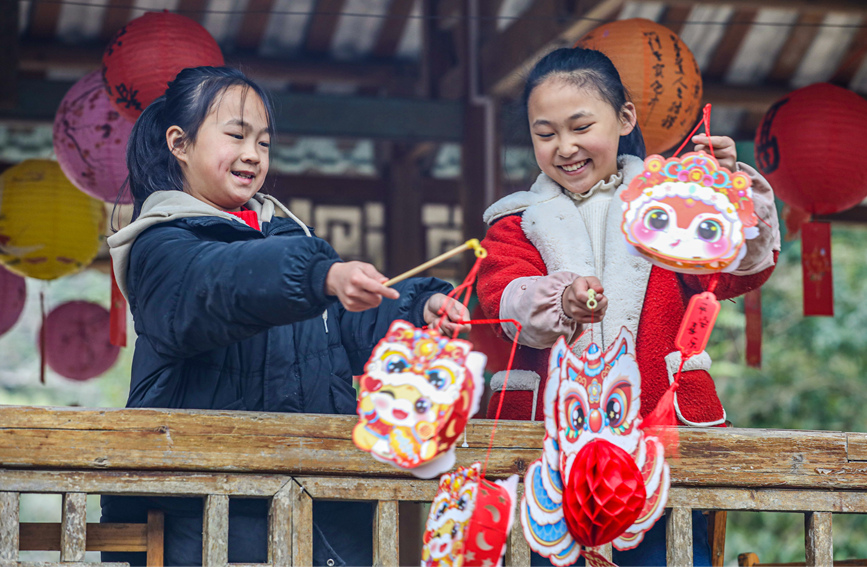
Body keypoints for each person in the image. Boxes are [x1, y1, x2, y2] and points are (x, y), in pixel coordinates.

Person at [101, 66, 468, 567]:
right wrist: (319, 275)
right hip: (203, 526)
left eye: (264, 142)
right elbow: (223, 282)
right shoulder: (160, 246)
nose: (253, 154)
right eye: (236, 135)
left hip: (322, 520)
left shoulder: (289, 241)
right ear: (179, 144)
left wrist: (418, 309)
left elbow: (347, 323)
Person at [476, 47, 780, 565]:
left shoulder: (672, 202)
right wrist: (560, 301)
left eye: (579, 126)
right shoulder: (515, 221)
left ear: (624, 118)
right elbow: (504, 301)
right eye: (545, 134)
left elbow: (732, 269)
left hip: (664, 436)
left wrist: (730, 199)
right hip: (545, 452)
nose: (564, 147)